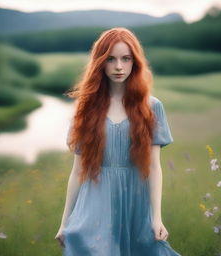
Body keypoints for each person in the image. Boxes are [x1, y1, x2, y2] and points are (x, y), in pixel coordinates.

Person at [55, 27, 182, 256]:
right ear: (100, 63)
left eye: (126, 59)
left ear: (135, 62)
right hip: (95, 200)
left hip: (135, 200)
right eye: (111, 59)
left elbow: (154, 167)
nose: (119, 67)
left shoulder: (151, 107)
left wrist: (157, 217)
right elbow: (77, 172)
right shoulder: (86, 107)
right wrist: (64, 222)